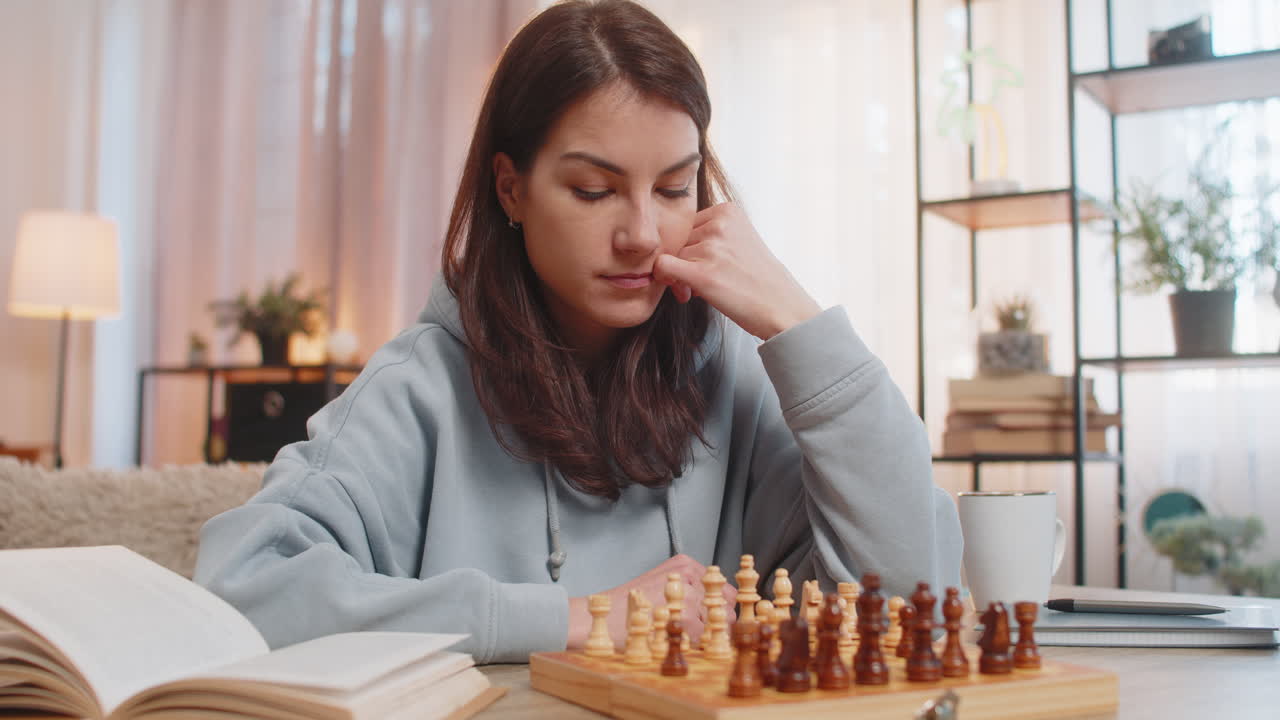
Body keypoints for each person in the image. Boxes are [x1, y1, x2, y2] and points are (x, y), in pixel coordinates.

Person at [195, 0, 962, 664]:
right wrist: (571, 620)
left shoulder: (736, 376)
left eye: (673, 187)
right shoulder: (419, 388)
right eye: (593, 190)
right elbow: (244, 591)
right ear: (511, 189)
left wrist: (800, 323)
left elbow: (915, 597)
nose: (641, 233)